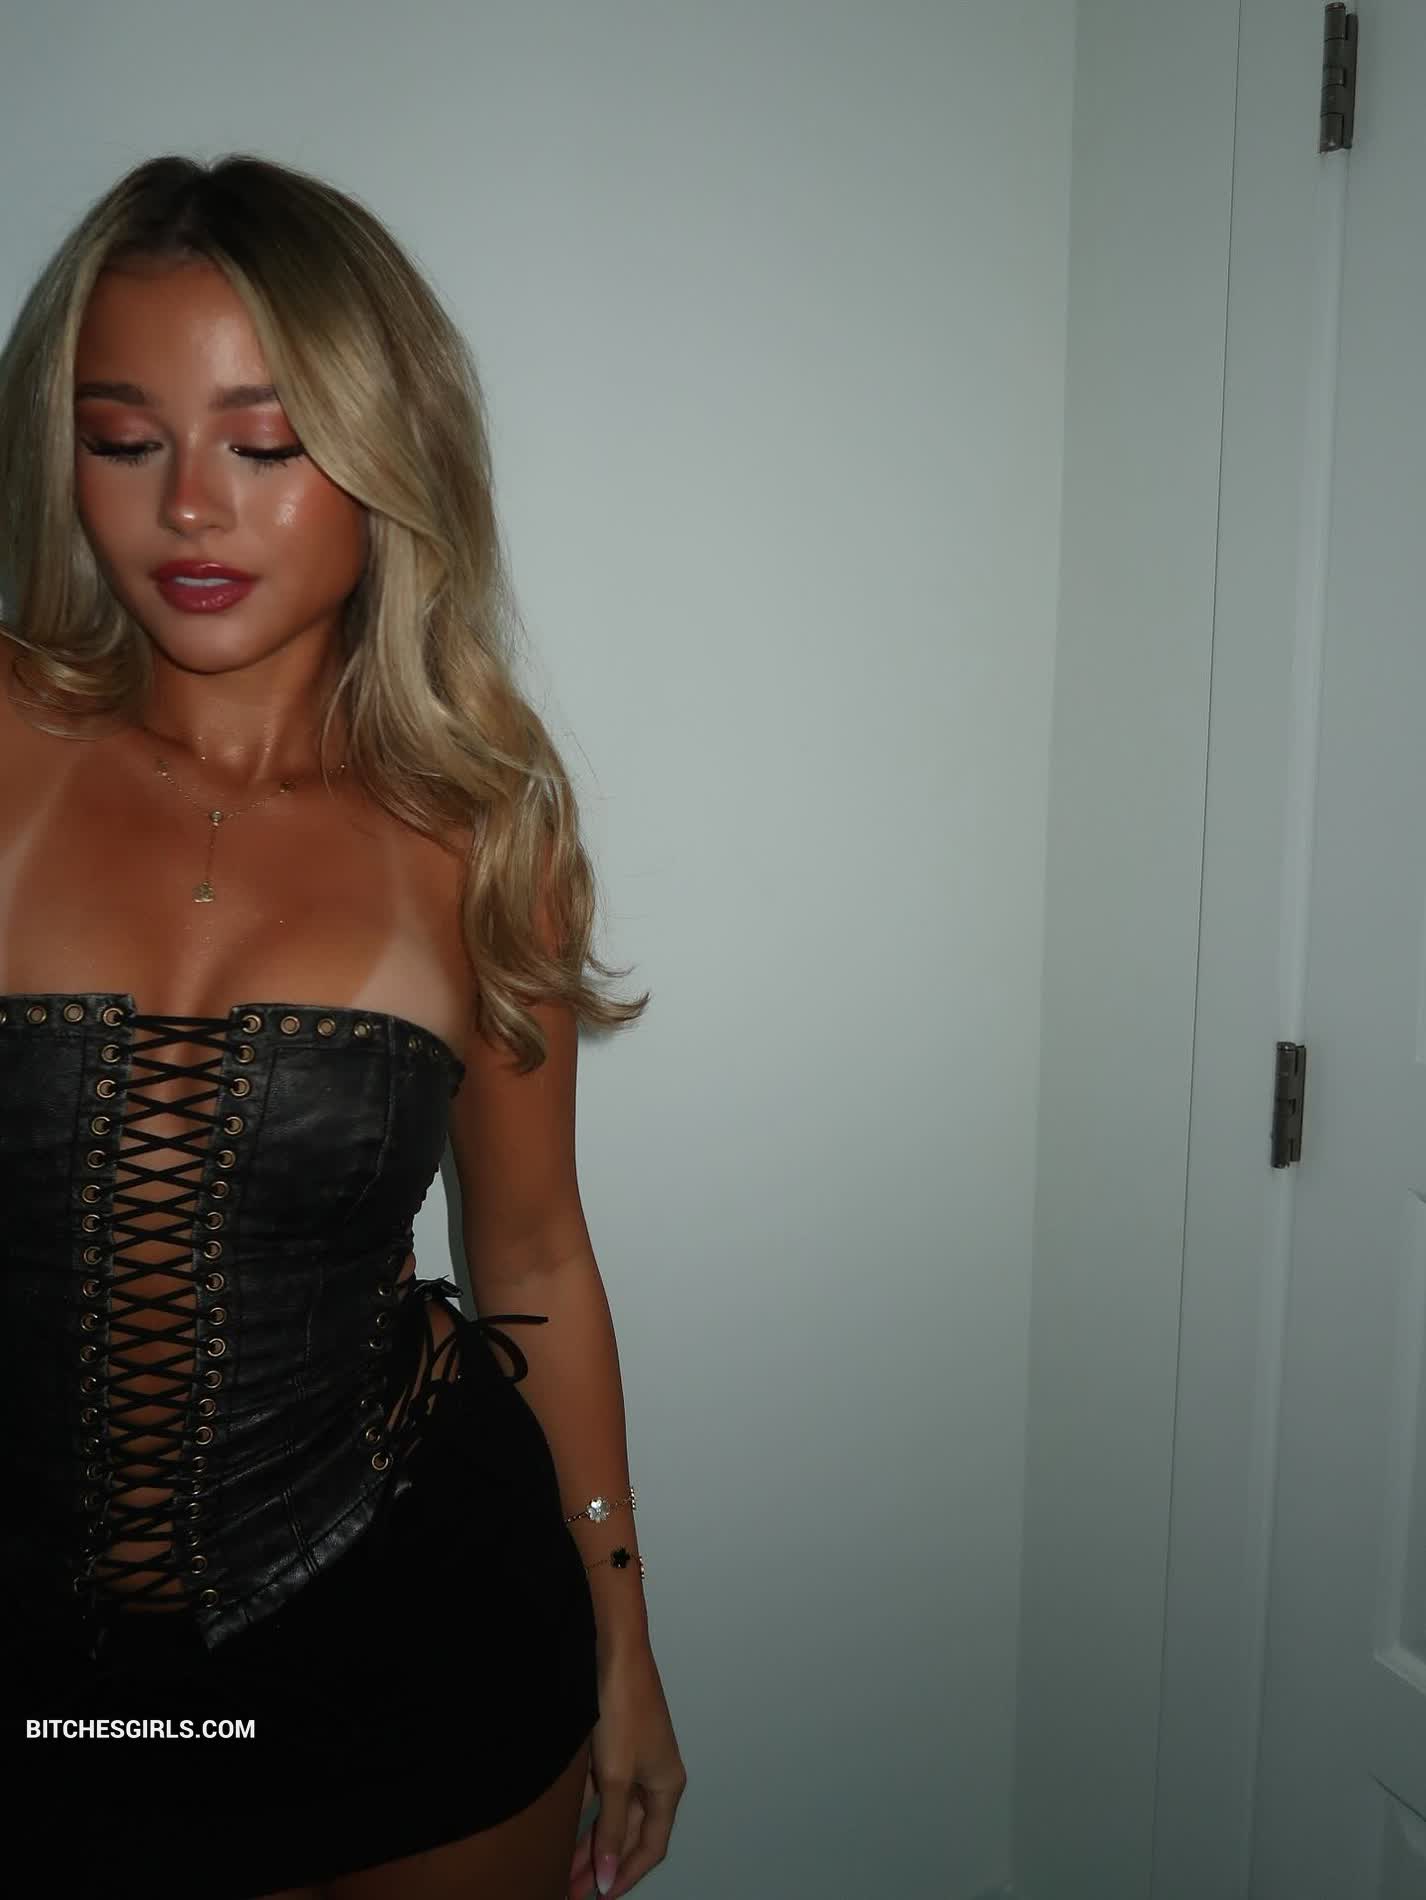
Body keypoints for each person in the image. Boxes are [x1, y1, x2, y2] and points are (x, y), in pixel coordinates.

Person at [0, 153, 685, 1900]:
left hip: (415, 1653)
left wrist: (623, 1637)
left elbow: (533, 1255)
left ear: (388, 456)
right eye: (123, 438)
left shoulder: (483, 833)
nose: (188, 508)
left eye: (265, 441)